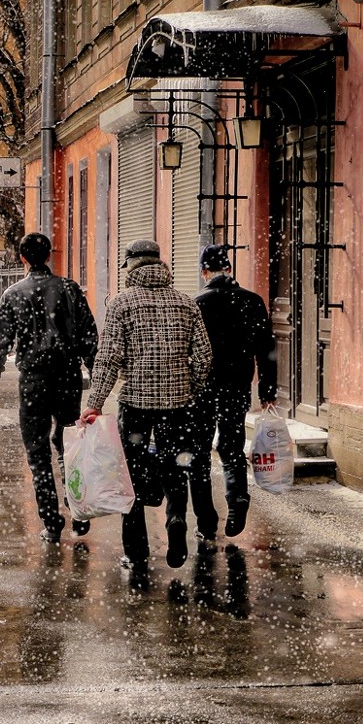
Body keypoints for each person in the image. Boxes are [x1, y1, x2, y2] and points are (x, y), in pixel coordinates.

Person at [79, 239, 212, 575]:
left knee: (132, 477)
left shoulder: (122, 304)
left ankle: (136, 552)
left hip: (136, 404)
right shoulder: (185, 302)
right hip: (178, 404)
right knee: (175, 466)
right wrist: (189, 386)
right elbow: (205, 356)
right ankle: (177, 519)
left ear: (131, 268)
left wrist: (94, 403)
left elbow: (109, 358)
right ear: (160, 266)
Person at [0, 232, 99, 544]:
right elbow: (89, 336)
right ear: (48, 256)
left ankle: (51, 520)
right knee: (69, 443)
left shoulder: (14, 294)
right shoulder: (70, 289)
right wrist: (94, 371)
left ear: (23, 258)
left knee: (37, 452)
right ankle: (77, 506)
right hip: (67, 377)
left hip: (34, 380)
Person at [188, 244, 277, 541]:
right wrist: (267, 389)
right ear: (228, 268)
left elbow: (187, 351)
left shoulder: (197, 303)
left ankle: (206, 522)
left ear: (204, 271)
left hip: (202, 388)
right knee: (231, 446)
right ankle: (237, 497)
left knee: (199, 454)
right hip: (237, 385)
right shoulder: (252, 301)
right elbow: (266, 349)